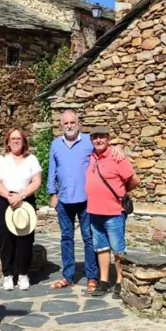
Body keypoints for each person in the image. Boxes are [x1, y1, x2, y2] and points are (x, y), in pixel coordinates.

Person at [46, 110, 125, 295]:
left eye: (72, 122)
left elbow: (105, 147)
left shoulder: (89, 142)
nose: (69, 125)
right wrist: (52, 194)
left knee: (89, 239)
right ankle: (68, 276)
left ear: (78, 123)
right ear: (61, 125)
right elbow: (52, 170)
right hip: (64, 199)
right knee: (66, 238)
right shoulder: (56, 144)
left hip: (86, 200)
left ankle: (92, 276)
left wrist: (117, 147)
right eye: (66, 123)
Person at [85, 126, 140, 298]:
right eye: (95, 137)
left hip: (114, 212)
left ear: (108, 138)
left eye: (101, 137)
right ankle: (104, 281)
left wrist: (121, 193)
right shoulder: (92, 157)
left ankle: (120, 281)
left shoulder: (117, 158)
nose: (98, 140)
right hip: (95, 212)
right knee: (101, 248)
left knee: (118, 250)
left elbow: (134, 180)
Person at [0, 127, 42, 291]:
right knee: (6, 238)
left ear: (24, 141)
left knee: (24, 238)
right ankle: (8, 274)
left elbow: (36, 181)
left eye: (18, 138)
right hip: (3, 200)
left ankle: (23, 274)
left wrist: (21, 195)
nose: (15, 141)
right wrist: (8, 195)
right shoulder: (0, 160)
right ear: (7, 142)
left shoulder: (31, 159)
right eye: (12, 138)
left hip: (25, 200)